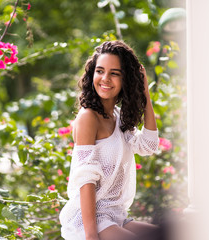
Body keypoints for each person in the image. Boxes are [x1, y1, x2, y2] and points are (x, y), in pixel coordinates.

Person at [59, 40, 161, 240]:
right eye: (100, 71)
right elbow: (85, 179)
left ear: (126, 80)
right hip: (89, 219)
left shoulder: (118, 116)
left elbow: (148, 146)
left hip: (115, 215)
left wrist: (145, 92)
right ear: (92, 74)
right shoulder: (88, 117)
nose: (105, 78)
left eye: (114, 73)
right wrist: (90, 236)